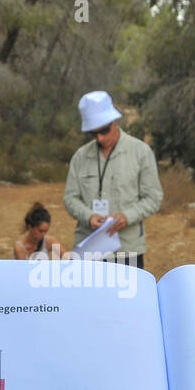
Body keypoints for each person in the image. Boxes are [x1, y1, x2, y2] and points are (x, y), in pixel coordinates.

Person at [63, 91, 162, 270]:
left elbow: (153, 198)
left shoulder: (140, 152)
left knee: (127, 298)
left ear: (115, 121)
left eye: (104, 131)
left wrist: (127, 217)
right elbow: (70, 198)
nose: (100, 138)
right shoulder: (80, 156)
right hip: (88, 249)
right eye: (94, 134)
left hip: (127, 249)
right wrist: (89, 216)